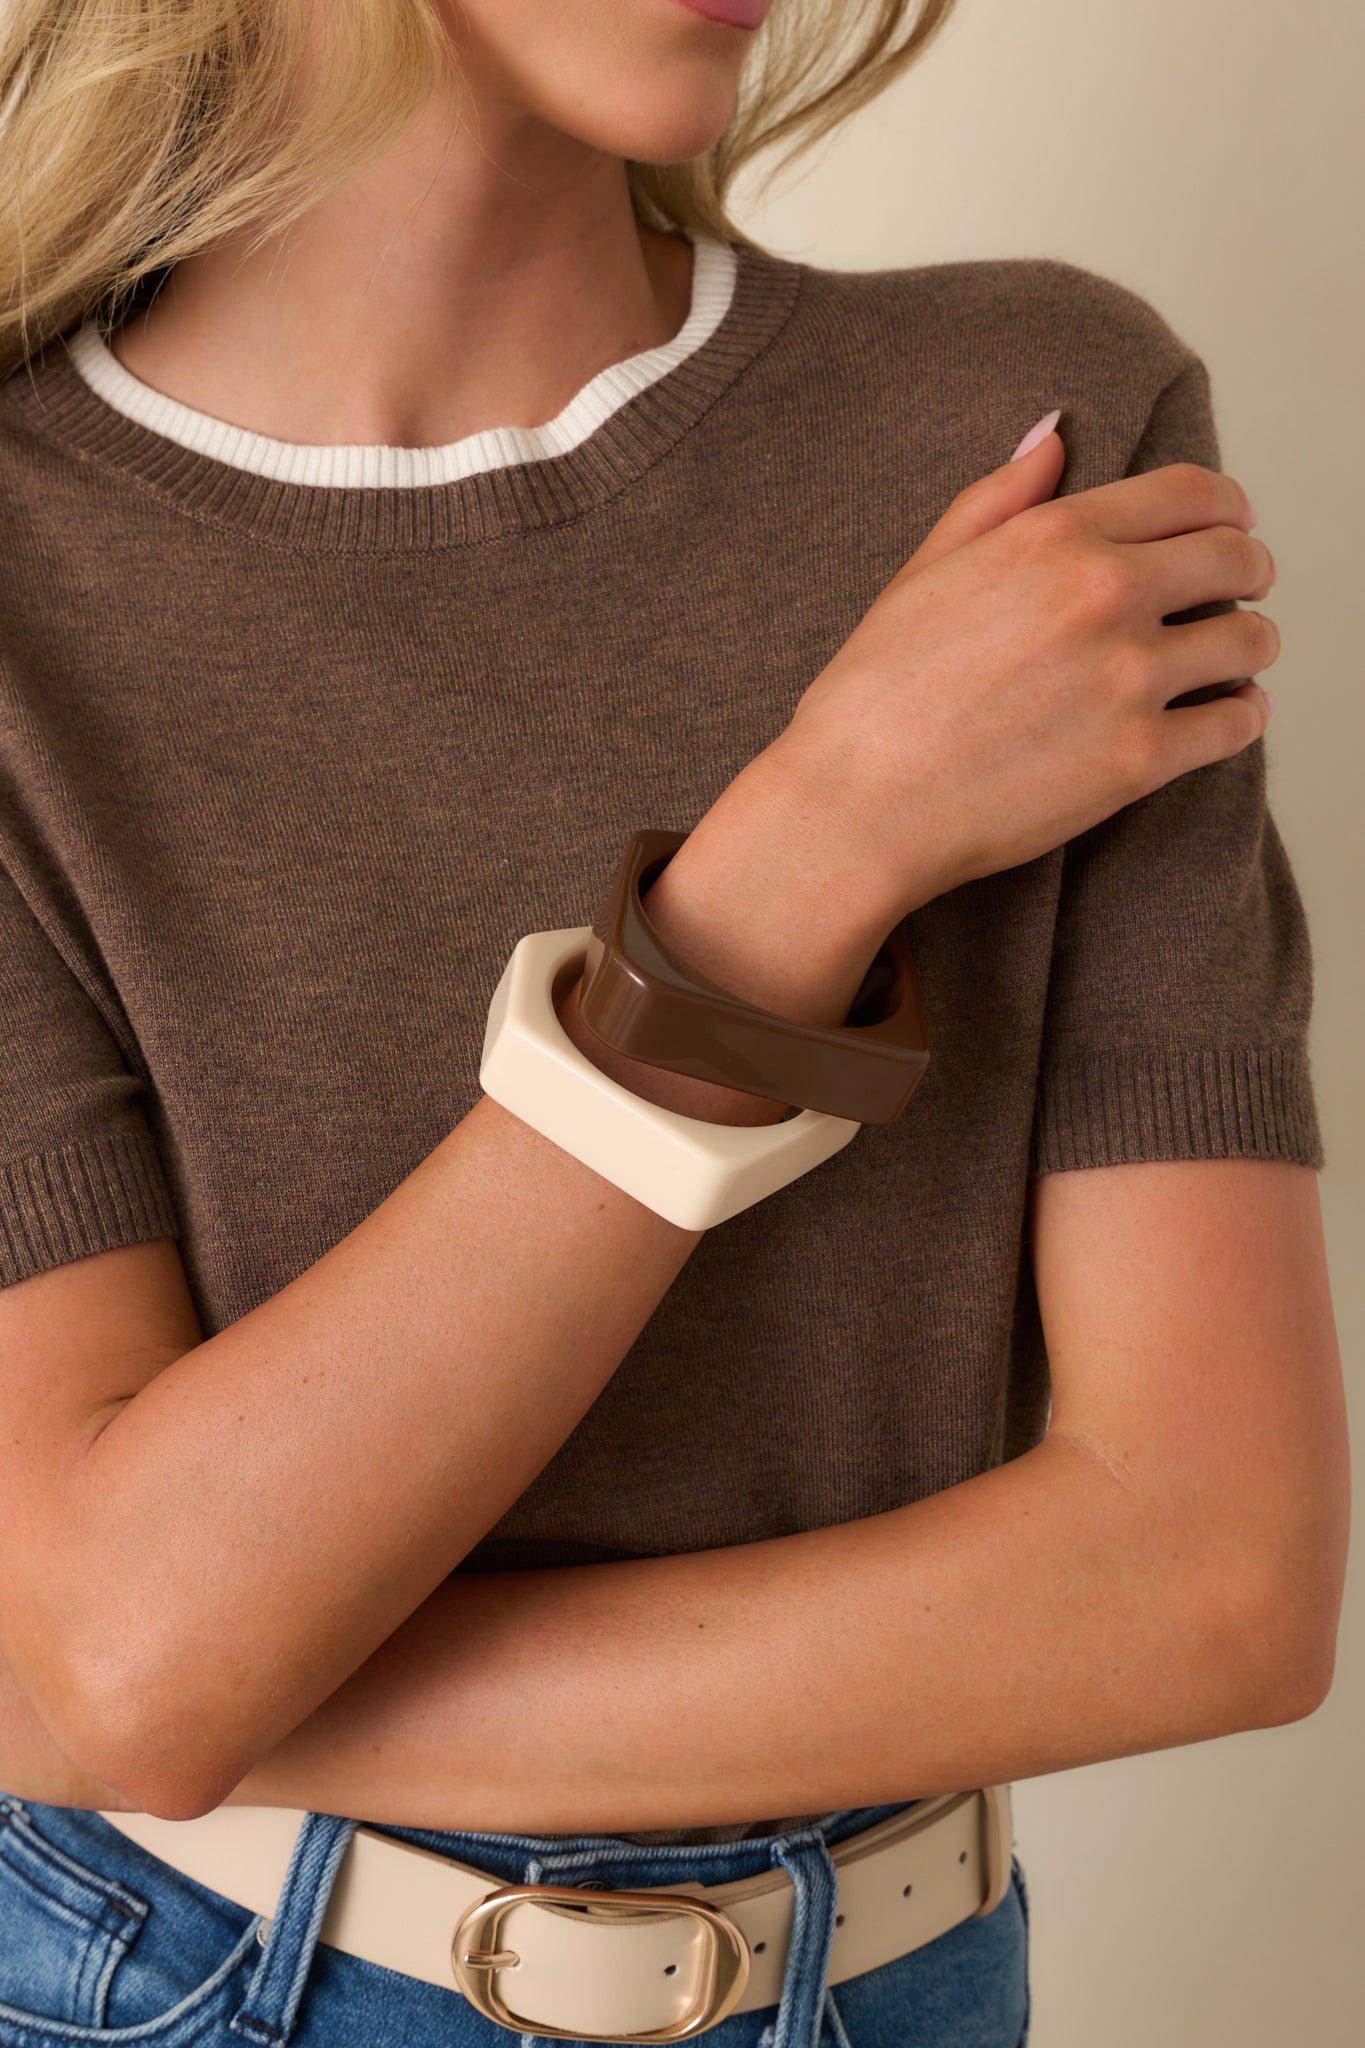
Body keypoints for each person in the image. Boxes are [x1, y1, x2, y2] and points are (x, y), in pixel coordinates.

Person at [0, 0, 1348, 2043]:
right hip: (172, 1985)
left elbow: (1216, 1580)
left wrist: (197, 1677)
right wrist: (800, 861)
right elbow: (127, 1663)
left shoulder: (1029, 444)